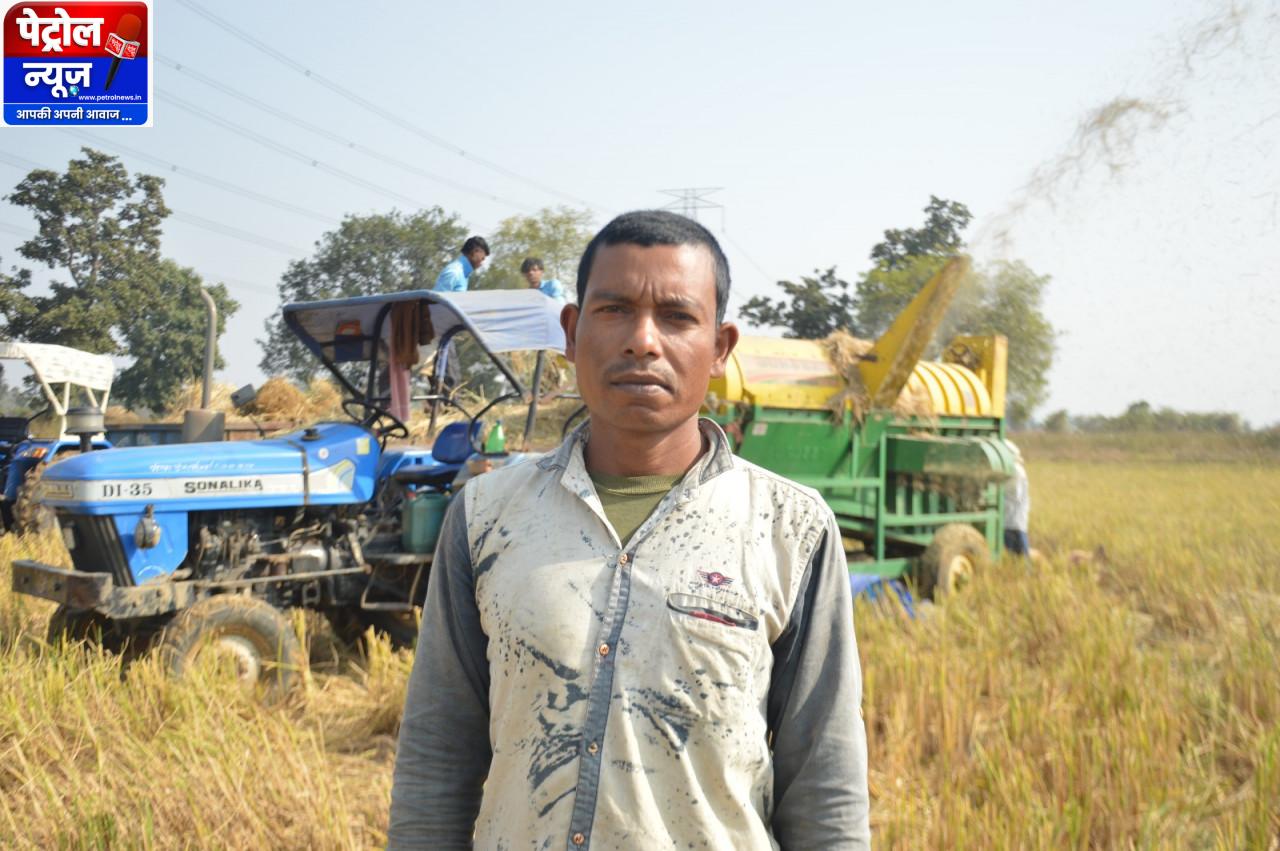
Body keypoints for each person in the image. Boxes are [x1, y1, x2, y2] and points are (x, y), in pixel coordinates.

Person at [389, 210, 870, 849]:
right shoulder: (485, 517)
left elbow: (825, 784)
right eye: (614, 310)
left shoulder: (791, 529)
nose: (643, 341)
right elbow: (436, 754)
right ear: (571, 331)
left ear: (721, 348)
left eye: (677, 317)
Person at [1003, 439, 1031, 556]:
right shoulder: (1012, 469)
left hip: (1013, 521)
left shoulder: (1016, 470)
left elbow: (1013, 493)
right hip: (1008, 520)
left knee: (1019, 555)